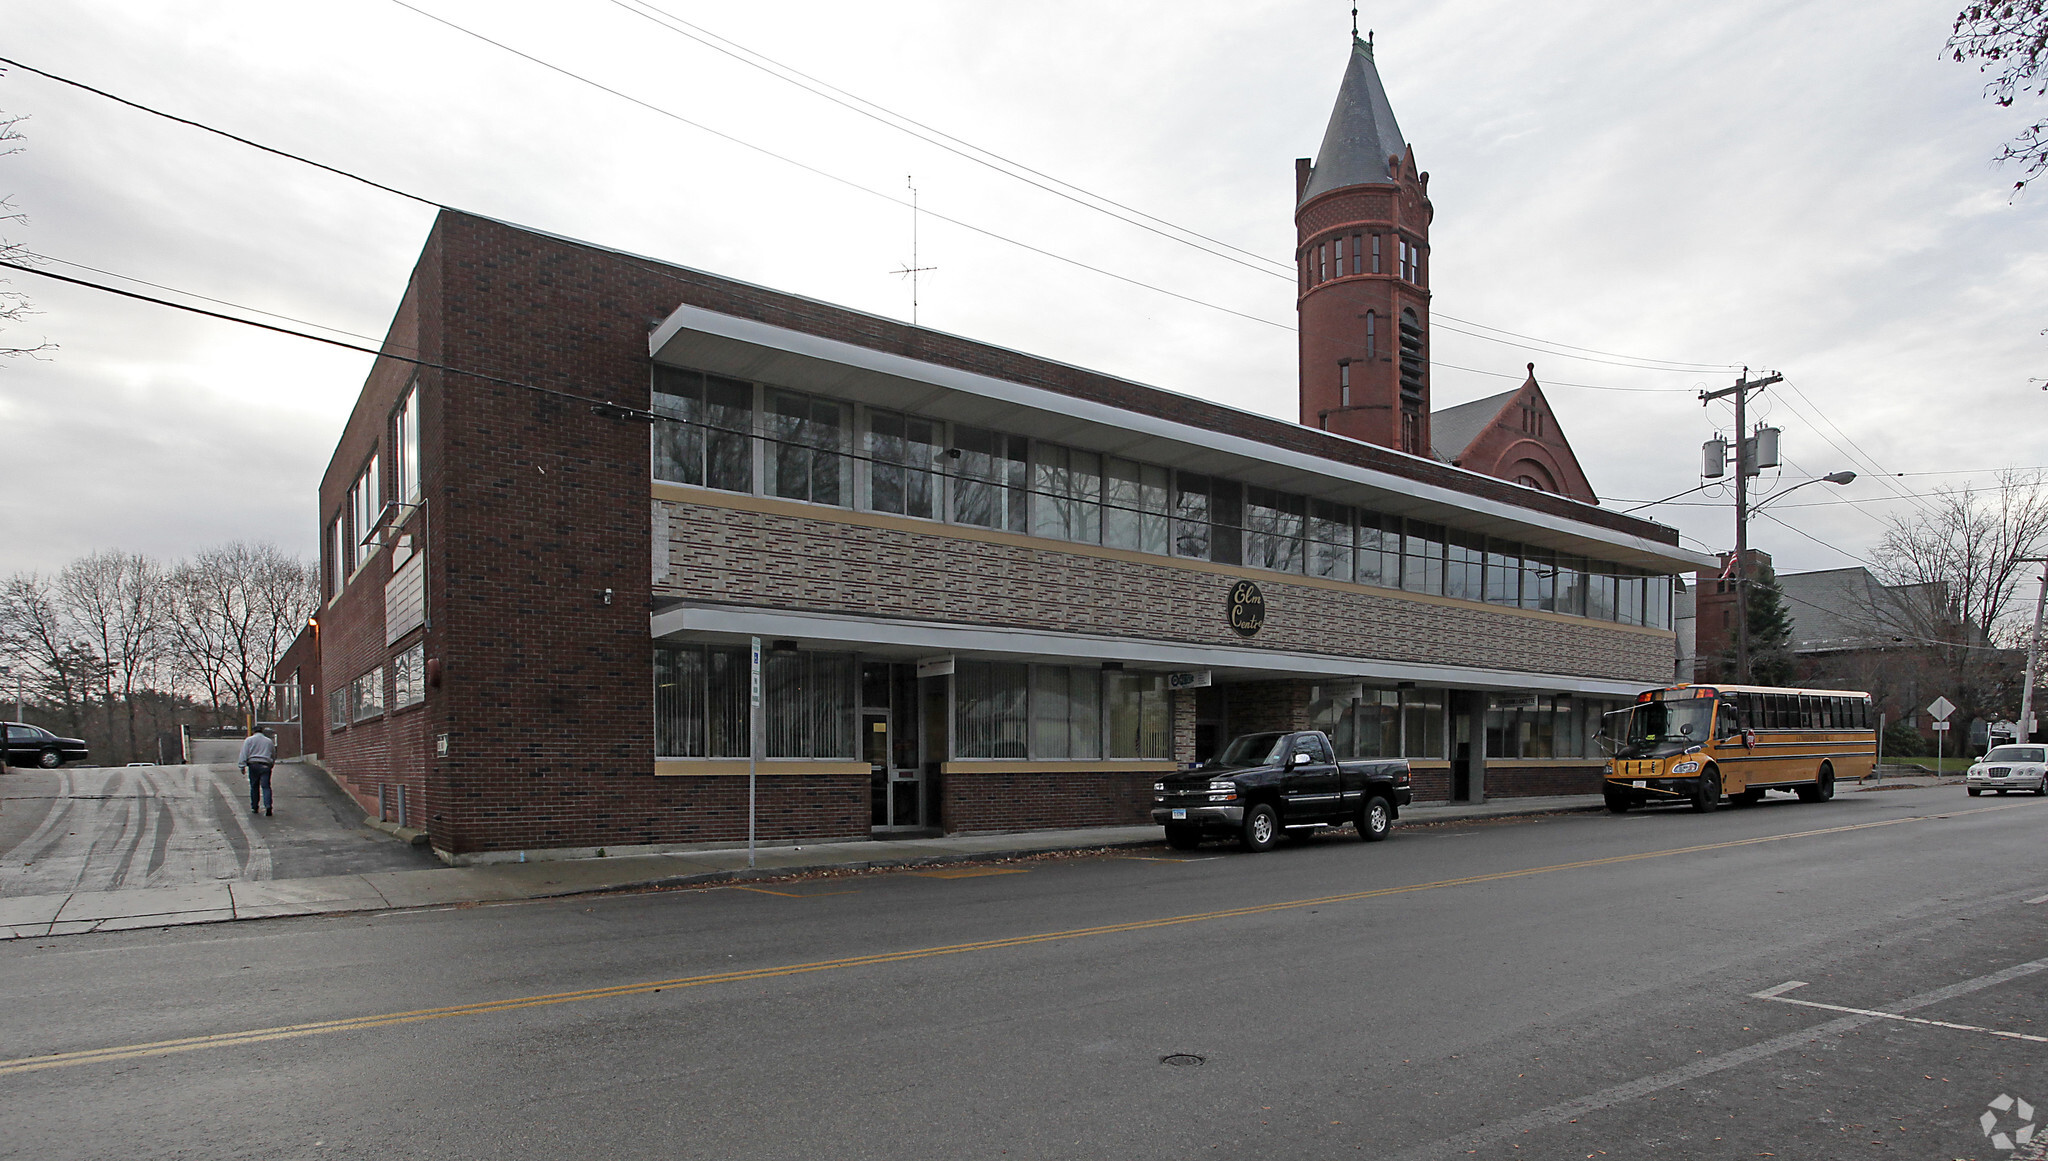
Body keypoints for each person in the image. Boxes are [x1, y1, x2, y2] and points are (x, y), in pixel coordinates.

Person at [238, 726, 277, 816]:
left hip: (254, 765)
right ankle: (268, 806)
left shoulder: (249, 740)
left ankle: (255, 807)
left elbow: (244, 753)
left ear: (253, 731)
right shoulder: (268, 741)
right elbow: (273, 754)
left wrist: (242, 766)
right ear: (262, 731)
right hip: (266, 765)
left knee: (254, 786)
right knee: (266, 786)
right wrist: (271, 764)